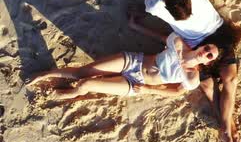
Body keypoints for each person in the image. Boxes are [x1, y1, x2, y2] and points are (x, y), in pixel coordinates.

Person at [127, 0, 241, 142]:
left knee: (231, 80)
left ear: (188, 0)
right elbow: (148, 11)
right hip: (194, 45)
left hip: (219, 35)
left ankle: (227, 129)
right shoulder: (154, 4)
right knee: (208, 87)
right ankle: (229, 128)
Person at [27, 33, 219, 99]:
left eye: (209, 55)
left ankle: (74, 93)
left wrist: (148, 90)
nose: (206, 52)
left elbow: (176, 92)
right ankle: (46, 74)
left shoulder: (193, 77)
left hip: (136, 83)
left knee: (85, 84)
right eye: (208, 47)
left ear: (207, 61)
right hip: (134, 60)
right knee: (82, 72)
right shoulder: (180, 44)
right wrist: (137, 27)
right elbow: (166, 37)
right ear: (203, 45)